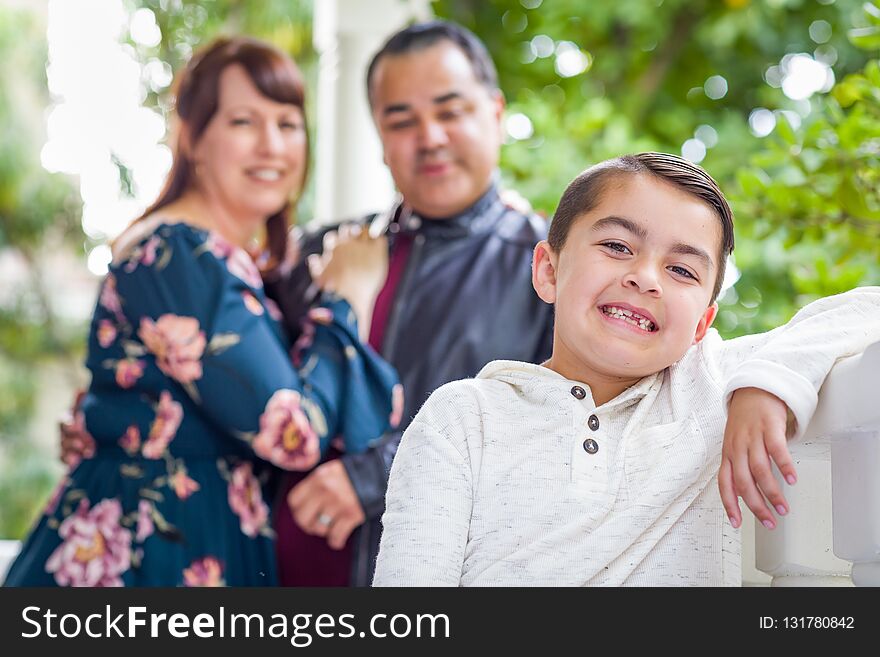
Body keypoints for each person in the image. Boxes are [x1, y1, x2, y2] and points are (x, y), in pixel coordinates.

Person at [372, 152, 880, 586]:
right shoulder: (462, 417)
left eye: (681, 270)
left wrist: (764, 385)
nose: (644, 278)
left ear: (702, 323)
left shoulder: (708, 386)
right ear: (549, 270)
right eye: (617, 246)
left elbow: (865, 308)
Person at [4, 36, 398, 587]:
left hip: (198, 540)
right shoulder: (177, 252)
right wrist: (346, 296)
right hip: (151, 555)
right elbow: (292, 430)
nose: (272, 146)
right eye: (243, 122)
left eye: (288, 124)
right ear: (194, 139)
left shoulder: (230, 261)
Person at [263, 21, 554, 586]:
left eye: (450, 112)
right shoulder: (319, 254)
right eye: (401, 120)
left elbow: (555, 424)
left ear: (495, 114)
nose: (430, 137)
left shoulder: (548, 268)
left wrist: (377, 475)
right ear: (378, 136)